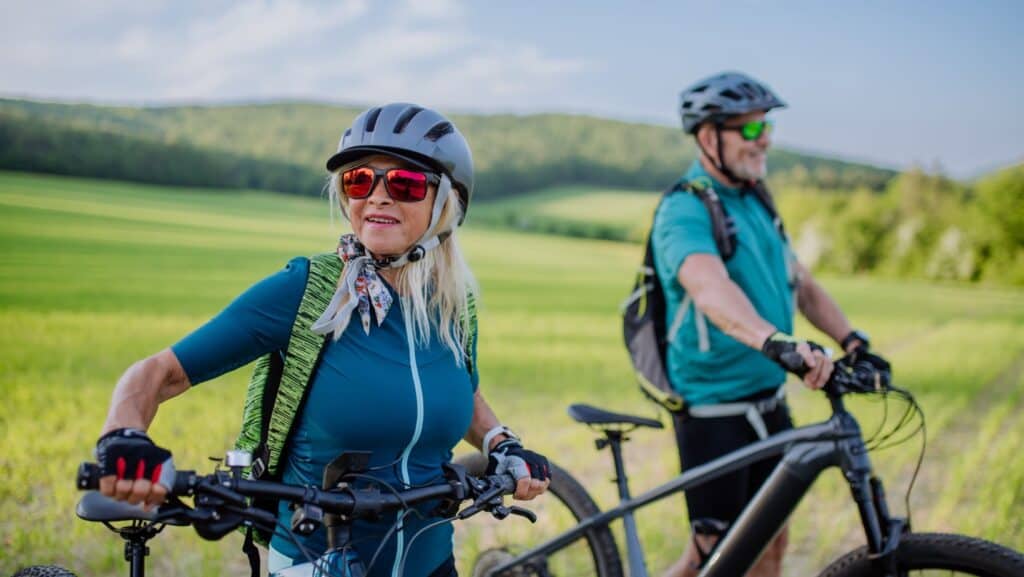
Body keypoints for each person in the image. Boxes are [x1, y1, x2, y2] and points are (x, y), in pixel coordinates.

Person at [92, 103, 551, 577]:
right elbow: (158, 374)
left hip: (431, 561)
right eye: (358, 181)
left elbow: (463, 390)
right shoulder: (307, 290)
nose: (377, 197)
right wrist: (122, 437)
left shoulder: (452, 305)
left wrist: (502, 442)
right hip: (319, 561)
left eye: (405, 184)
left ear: (445, 205)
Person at [653, 72, 883, 577]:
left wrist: (851, 340)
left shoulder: (757, 199)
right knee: (713, 557)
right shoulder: (685, 208)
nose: (766, 140)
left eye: (767, 128)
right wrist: (775, 343)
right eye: (751, 130)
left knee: (773, 544)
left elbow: (800, 283)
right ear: (708, 136)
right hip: (715, 410)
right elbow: (711, 289)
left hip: (769, 402)